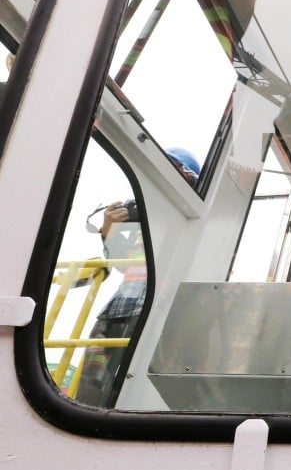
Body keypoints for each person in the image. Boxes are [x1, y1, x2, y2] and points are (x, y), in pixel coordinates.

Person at [77, 149, 200, 406]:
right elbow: (123, 265)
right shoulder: (143, 219)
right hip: (119, 309)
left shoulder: (190, 219)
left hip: (156, 311)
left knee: (132, 389)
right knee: (91, 388)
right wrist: (108, 230)